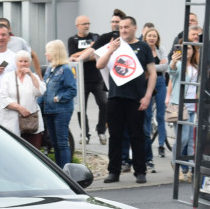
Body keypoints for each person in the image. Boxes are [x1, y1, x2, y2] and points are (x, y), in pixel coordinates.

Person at [96, 15, 156, 184]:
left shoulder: (143, 46)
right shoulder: (114, 45)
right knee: (115, 136)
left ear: (134, 28)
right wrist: (110, 50)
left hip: (136, 98)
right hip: (115, 97)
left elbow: (152, 73)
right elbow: (99, 65)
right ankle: (113, 171)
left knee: (137, 135)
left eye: (126, 27)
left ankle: (140, 171)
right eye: (121, 27)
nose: (123, 30)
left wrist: (147, 96)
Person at [67, 15, 108, 144]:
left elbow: (98, 55)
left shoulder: (96, 37)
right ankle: (85, 134)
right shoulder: (72, 40)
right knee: (81, 108)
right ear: (77, 26)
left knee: (104, 104)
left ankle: (101, 130)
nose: (87, 26)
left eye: (88, 23)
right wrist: (90, 50)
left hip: (97, 79)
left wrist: (84, 56)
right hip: (81, 80)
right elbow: (72, 56)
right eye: (84, 24)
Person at [169, 25, 202, 182]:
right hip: (179, 106)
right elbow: (172, 71)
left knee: (190, 141)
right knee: (182, 139)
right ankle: (175, 162)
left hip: (192, 106)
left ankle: (187, 169)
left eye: (189, 49)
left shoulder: (196, 66)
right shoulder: (180, 64)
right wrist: (173, 62)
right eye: (184, 49)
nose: (187, 51)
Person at [41, 40, 77, 167]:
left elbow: (72, 90)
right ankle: (60, 170)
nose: (45, 54)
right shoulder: (50, 68)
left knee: (62, 143)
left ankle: (66, 170)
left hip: (62, 110)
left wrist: (58, 98)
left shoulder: (66, 69)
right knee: (55, 143)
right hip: (49, 110)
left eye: (48, 51)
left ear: (55, 53)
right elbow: (44, 89)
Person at [0, 51, 45, 147]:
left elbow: (40, 92)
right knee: (11, 148)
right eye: (20, 61)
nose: (23, 64)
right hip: (11, 121)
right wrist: (19, 108)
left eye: (26, 61)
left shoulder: (33, 77)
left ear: (30, 63)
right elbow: (3, 98)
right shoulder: (8, 77)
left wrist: (31, 75)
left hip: (30, 122)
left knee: (32, 150)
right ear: (16, 62)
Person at [143, 28, 170, 159]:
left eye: (154, 36)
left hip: (160, 81)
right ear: (145, 37)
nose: (152, 38)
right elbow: (142, 66)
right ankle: (147, 144)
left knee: (161, 115)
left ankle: (161, 145)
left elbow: (165, 67)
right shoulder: (142, 49)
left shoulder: (161, 50)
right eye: (149, 36)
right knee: (147, 114)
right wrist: (156, 66)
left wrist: (150, 67)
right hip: (147, 81)